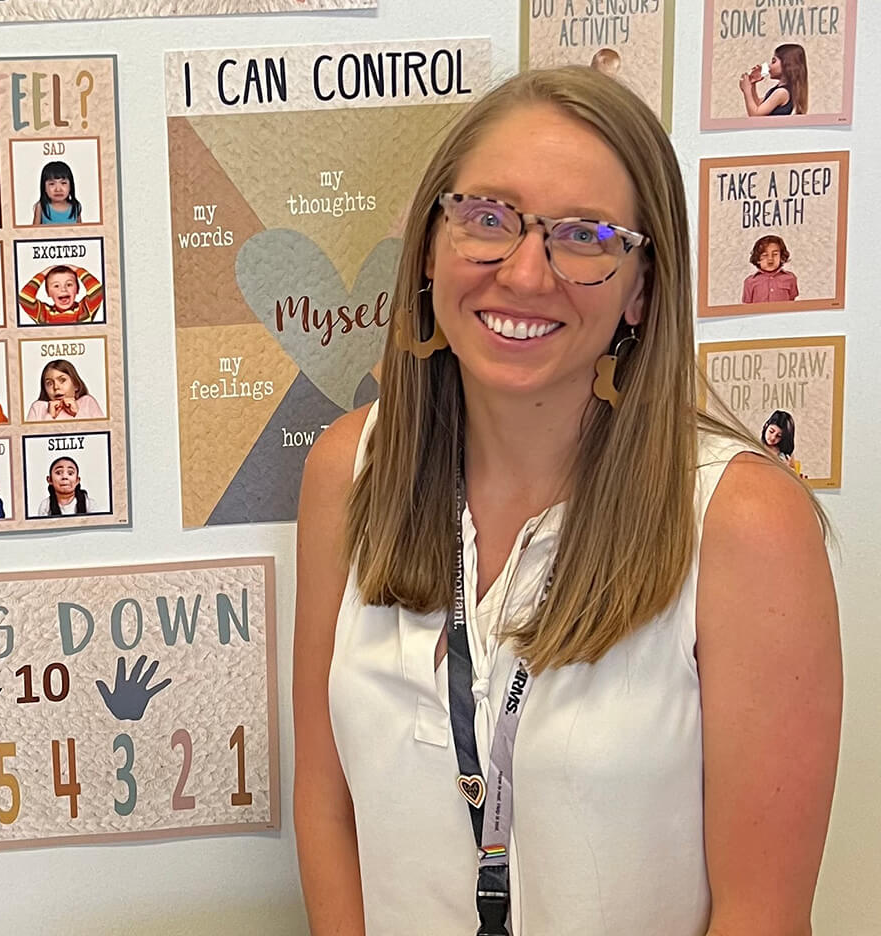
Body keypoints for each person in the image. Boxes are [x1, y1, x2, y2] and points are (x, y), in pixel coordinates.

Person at [292, 67, 839, 935]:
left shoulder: (743, 523)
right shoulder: (345, 473)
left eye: (583, 236)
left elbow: (761, 914)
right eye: (488, 219)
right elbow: (327, 810)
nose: (525, 270)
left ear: (642, 290)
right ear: (433, 249)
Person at [18, 264, 104, 325]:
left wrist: (78, 270)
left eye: (69, 284)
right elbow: (25, 297)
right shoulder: (43, 314)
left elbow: (98, 291)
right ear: (48, 292)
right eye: (56, 286)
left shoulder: (85, 309)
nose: (63, 289)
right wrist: (42, 274)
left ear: (77, 289)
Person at [740, 43, 807, 117]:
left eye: (773, 61)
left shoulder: (781, 93)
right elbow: (759, 104)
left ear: (787, 64)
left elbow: (755, 114)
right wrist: (752, 84)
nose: (769, 66)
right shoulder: (778, 90)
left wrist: (747, 90)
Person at [26, 359, 104, 421]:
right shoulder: (38, 407)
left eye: (62, 380)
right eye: (49, 383)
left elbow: (101, 435)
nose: (56, 387)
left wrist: (77, 414)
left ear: (76, 384)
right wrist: (50, 416)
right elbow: (32, 439)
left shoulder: (88, 402)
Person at [742, 234, 799, 304]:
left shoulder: (790, 278)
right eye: (765, 255)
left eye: (775, 254)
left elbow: (792, 300)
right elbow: (747, 306)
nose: (770, 259)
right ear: (757, 259)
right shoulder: (750, 282)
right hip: (760, 315)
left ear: (781, 256)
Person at [32, 160, 83, 225]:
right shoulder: (41, 207)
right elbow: (34, 233)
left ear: (71, 186)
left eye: (63, 183)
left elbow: (81, 232)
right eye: (52, 184)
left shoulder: (75, 207)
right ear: (44, 187)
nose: (58, 189)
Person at [761, 409, 803, 476]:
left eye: (779, 436)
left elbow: (793, 474)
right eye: (771, 431)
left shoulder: (785, 454)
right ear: (766, 426)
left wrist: (788, 469)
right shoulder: (757, 447)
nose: (773, 438)